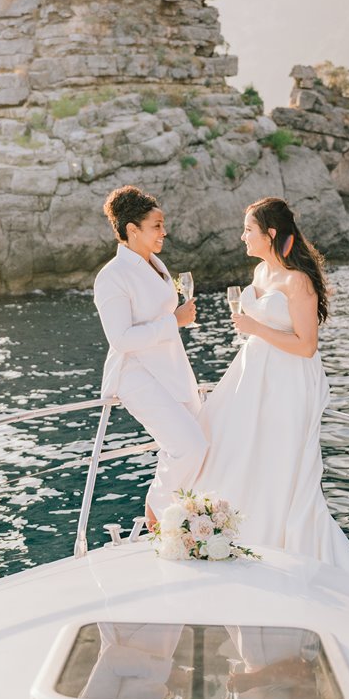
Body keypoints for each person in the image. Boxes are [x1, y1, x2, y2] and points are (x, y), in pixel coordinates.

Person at [196, 196, 349, 573]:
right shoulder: (260, 276)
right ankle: (247, 534)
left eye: (248, 230)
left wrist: (255, 328)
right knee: (243, 452)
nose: (242, 237)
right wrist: (251, 329)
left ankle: (293, 551)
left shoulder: (297, 281)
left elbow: (306, 346)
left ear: (270, 234)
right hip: (256, 380)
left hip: (288, 384)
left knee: (282, 464)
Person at [94, 185, 207, 528]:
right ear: (132, 230)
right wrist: (175, 321)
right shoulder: (112, 277)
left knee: (197, 444)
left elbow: (158, 320)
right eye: (156, 225)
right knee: (189, 446)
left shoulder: (157, 266)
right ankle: (157, 514)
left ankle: (182, 522)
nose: (164, 232)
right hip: (135, 374)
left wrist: (176, 320)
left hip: (170, 368)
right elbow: (121, 338)